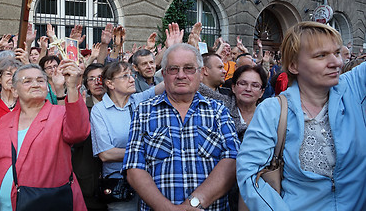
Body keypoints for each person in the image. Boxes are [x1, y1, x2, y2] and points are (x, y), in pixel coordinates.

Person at [237, 21, 366, 210]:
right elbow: (249, 175)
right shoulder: (272, 110)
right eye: (321, 56)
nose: (336, 62)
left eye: (337, 53)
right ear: (294, 65)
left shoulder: (354, 89)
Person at [123, 43, 240, 211]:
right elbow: (134, 168)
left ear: (200, 73)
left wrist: (194, 203)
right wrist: (168, 209)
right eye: (173, 69)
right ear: (163, 74)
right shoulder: (143, 111)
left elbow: (232, 160)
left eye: (189, 68)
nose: (181, 75)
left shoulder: (218, 111)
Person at [0, 59, 90, 211]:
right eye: (27, 81)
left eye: (40, 80)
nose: (35, 84)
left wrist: (70, 87)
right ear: (15, 90)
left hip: (46, 203)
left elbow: (78, 133)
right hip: (2, 204)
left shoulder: (61, 114)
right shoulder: (6, 120)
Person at [90, 61, 164, 211]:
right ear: (110, 83)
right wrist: (149, 152)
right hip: (120, 185)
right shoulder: (99, 111)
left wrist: (173, 49)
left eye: (132, 75)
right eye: (125, 76)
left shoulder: (138, 101)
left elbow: (166, 83)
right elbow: (106, 154)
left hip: (149, 181)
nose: (132, 79)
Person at [72, 63, 108, 211]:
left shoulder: (123, 104)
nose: (97, 82)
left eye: (100, 78)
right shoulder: (81, 106)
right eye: (91, 79)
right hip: (88, 178)